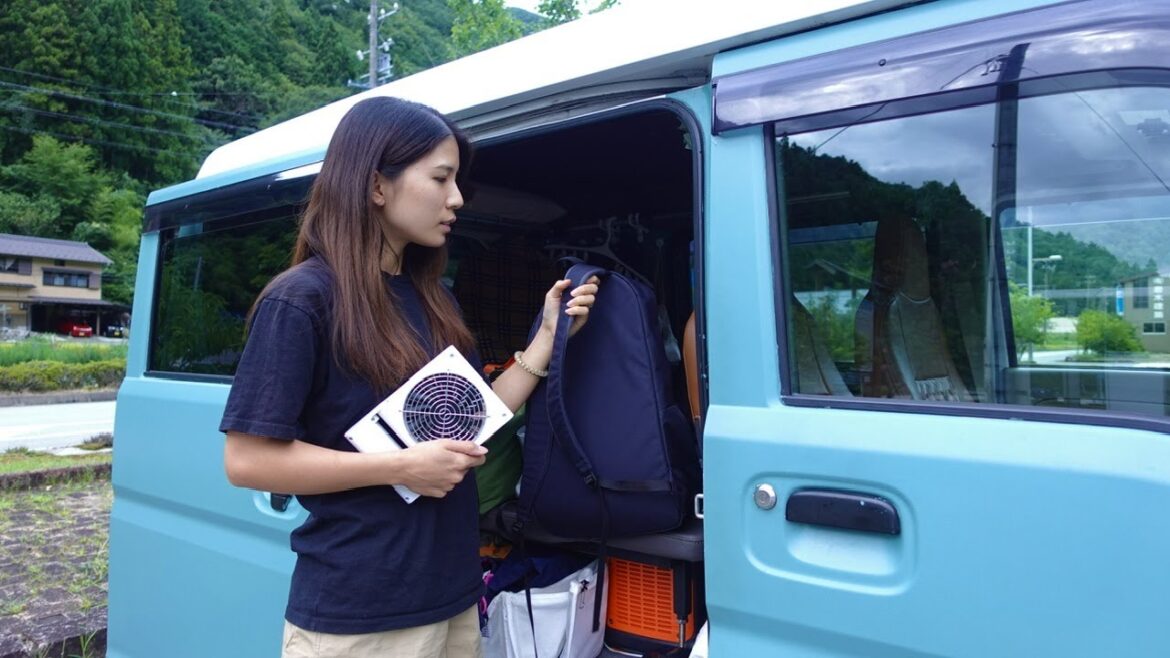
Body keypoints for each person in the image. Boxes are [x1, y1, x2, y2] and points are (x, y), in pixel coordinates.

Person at [220, 96, 599, 658]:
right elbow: (248, 460)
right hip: (359, 614)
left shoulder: (431, 298)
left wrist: (548, 337)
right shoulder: (303, 299)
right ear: (377, 186)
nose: (457, 198)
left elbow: (476, 417)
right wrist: (401, 466)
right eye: (441, 178)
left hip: (452, 596)